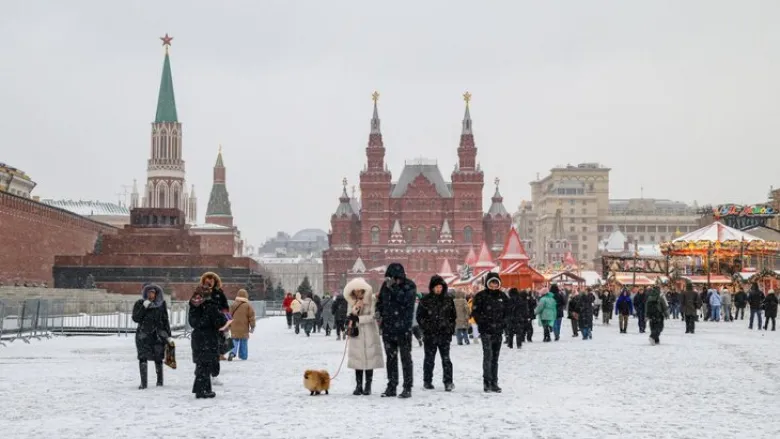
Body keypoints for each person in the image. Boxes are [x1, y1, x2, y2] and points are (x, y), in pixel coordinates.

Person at [376, 262, 417, 399]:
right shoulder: (385, 286)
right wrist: (379, 311)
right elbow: (380, 302)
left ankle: (407, 387)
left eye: (394, 277)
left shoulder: (409, 286)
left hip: (403, 329)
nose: (392, 280)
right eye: (390, 277)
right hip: (388, 328)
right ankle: (392, 386)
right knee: (391, 358)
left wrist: (393, 288)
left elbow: (405, 302)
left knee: (406, 358)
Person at [344, 278, 384, 396]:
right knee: (358, 360)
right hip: (357, 333)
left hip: (369, 331)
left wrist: (359, 318)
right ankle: (358, 385)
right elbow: (349, 315)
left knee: (369, 359)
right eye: (355, 290)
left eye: (359, 290)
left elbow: (372, 316)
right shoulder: (351, 301)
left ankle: (368, 386)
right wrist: (353, 314)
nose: (357, 292)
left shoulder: (371, 299)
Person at [417, 275, 457, 392]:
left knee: (446, 359)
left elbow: (453, 316)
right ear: (432, 287)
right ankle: (427, 381)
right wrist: (427, 328)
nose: (439, 289)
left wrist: (450, 329)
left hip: (444, 334)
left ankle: (448, 382)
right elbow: (420, 317)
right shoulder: (425, 300)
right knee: (429, 359)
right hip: (430, 335)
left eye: (440, 287)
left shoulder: (448, 299)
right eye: (436, 287)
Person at [189, 286, 229, 399]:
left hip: (197, 338)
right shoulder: (211, 306)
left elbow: (192, 322)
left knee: (201, 364)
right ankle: (201, 391)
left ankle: (205, 389)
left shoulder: (193, 305)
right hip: (209, 338)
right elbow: (220, 322)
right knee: (205, 365)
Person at [471, 272, 507, 393]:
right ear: (487, 283)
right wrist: (483, 323)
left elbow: (508, 312)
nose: (494, 285)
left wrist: (503, 324)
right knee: (488, 356)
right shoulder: (481, 296)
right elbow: (475, 312)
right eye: (492, 282)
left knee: (495, 358)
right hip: (486, 331)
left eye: (496, 283)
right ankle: (487, 382)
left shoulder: (502, 296)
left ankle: (494, 382)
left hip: (498, 331)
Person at [132, 284, 172, 389]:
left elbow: (165, 320)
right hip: (143, 335)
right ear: (145, 293)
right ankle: (143, 383)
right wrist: (144, 307)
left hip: (157, 335)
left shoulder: (161, 304)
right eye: (149, 292)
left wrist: (168, 335)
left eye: (153, 292)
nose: (151, 294)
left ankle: (160, 382)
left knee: (158, 358)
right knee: (142, 358)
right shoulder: (140, 303)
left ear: (156, 293)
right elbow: (136, 318)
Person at [200, 272, 230, 360]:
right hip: (206, 319)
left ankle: (220, 354)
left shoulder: (220, 293)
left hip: (219, 320)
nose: (209, 283)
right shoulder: (201, 292)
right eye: (207, 281)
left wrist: (228, 321)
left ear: (215, 281)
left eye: (211, 281)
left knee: (221, 337)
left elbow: (226, 307)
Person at [228, 289, 256, 361]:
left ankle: (232, 353)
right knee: (243, 341)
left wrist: (228, 325)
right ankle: (243, 356)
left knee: (234, 340)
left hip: (234, 326)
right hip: (244, 327)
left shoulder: (233, 305)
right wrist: (252, 326)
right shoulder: (248, 306)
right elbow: (251, 317)